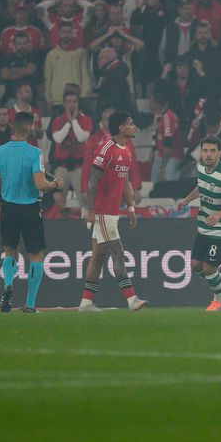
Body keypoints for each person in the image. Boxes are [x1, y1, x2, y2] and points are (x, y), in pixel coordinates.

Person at [0, 111, 63, 313]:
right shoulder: (35, 153)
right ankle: (30, 304)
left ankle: (8, 285)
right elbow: (40, 183)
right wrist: (55, 184)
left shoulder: (0, 152)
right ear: (29, 128)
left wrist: (8, 177)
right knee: (36, 255)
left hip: (8, 208)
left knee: (10, 251)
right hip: (29, 208)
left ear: (12, 128)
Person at [79, 110, 147, 312]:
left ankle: (86, 302)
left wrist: (131, 208)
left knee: (98, 256)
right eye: (130, 123)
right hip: (102, 212)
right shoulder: (107, 149)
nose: (134, 126)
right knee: (118, 252)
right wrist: (90, 209)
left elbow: (125, 181)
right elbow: (93, 179)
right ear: (121, 127)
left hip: (112, 212)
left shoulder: (126, 149)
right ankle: (132, 299)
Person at [177, 136, 221, 312]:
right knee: (195, 266)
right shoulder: (202, 168)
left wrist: (219, 215)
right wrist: (187, 200)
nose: (208, 154)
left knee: (209, 267)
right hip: (205, 225)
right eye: (205, 151)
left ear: (220, 153)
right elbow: (201, 186)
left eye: (212, 151)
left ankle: (219, 301)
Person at [48, 87, 92, 199]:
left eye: (74, 101)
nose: (72, 104)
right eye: (69, 102)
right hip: (61, 167)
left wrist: (74, 121)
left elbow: (82, 137)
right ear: (64, 104)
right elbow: (58, 139)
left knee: (85, 200)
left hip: (79, 167)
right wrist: (69, 122)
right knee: (57, 200)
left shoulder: (86, 119)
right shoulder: (58, 120)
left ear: (78, 103)